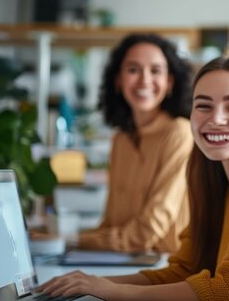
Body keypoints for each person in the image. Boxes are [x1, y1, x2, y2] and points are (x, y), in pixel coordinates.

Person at [37, 55, 229, 300]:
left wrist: (114, 291)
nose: (216, 119)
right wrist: (92, 284)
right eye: (203, 106)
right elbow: (184, 270)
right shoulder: (222, 189)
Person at [77, 33, 194, 253]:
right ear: (118, 80)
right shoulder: (121, 139)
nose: (144, 80)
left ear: (169, 82)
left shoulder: (179, 133)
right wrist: (60, 239)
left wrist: (71, 239)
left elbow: (148, 230)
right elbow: (111, 222)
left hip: (167, 265)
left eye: (155, 71)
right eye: (133, 70)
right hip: (126, 260)